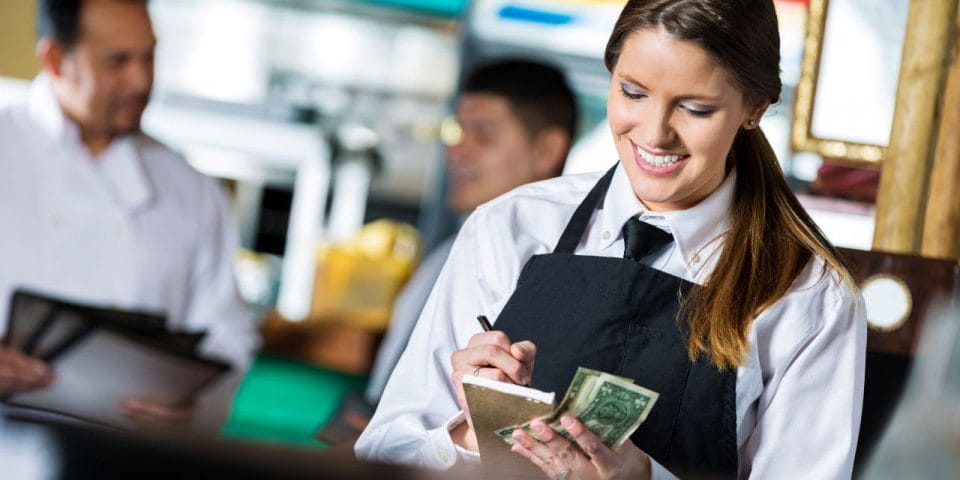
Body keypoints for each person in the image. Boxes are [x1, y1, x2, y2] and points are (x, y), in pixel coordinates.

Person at [355, 1, 866, 479]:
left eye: (695, 108)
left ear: (753, 108)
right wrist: (471, 431)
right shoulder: (510, 227)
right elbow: (384, 452)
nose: (655, 132)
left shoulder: (811, 297)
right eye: (634, 93)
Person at [0, 0, 258, 430]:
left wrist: (194, 408)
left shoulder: (194, 191)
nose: (141, 80)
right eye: (117, 61)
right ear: (55, 59)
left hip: (124, 458)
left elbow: (227, 334)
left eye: (149, 56)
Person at [362, 59, 577, 405]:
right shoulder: (447, 253)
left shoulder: (557, 279)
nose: (457, 151)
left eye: (483, 135)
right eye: (458, 132)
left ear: (546, 150)